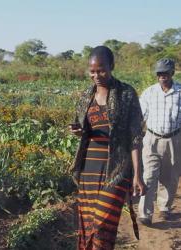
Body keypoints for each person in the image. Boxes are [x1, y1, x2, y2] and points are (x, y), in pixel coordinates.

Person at [69, 46, 146, 250]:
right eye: (92, 71)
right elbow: (83, 128)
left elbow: (135, 137)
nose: (96, 75)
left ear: (112, 66)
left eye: (101, 70)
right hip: (89, 170)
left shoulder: (126, 94)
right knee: (88, 226)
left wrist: (138, 175)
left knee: (102, 224)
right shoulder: (86, 95)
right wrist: (79, 132)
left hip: (117, 171)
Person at [138, 58, 181, 226]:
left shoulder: (180, 92)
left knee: (170, 176)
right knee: (149, 176)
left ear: (172, 73)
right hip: (151, 139)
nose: (162, 76)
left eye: (165, 73)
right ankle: (145, 214)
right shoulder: (149, 92)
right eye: (159, 74)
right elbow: (141, 116)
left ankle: (164, 208)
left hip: (175, 139)